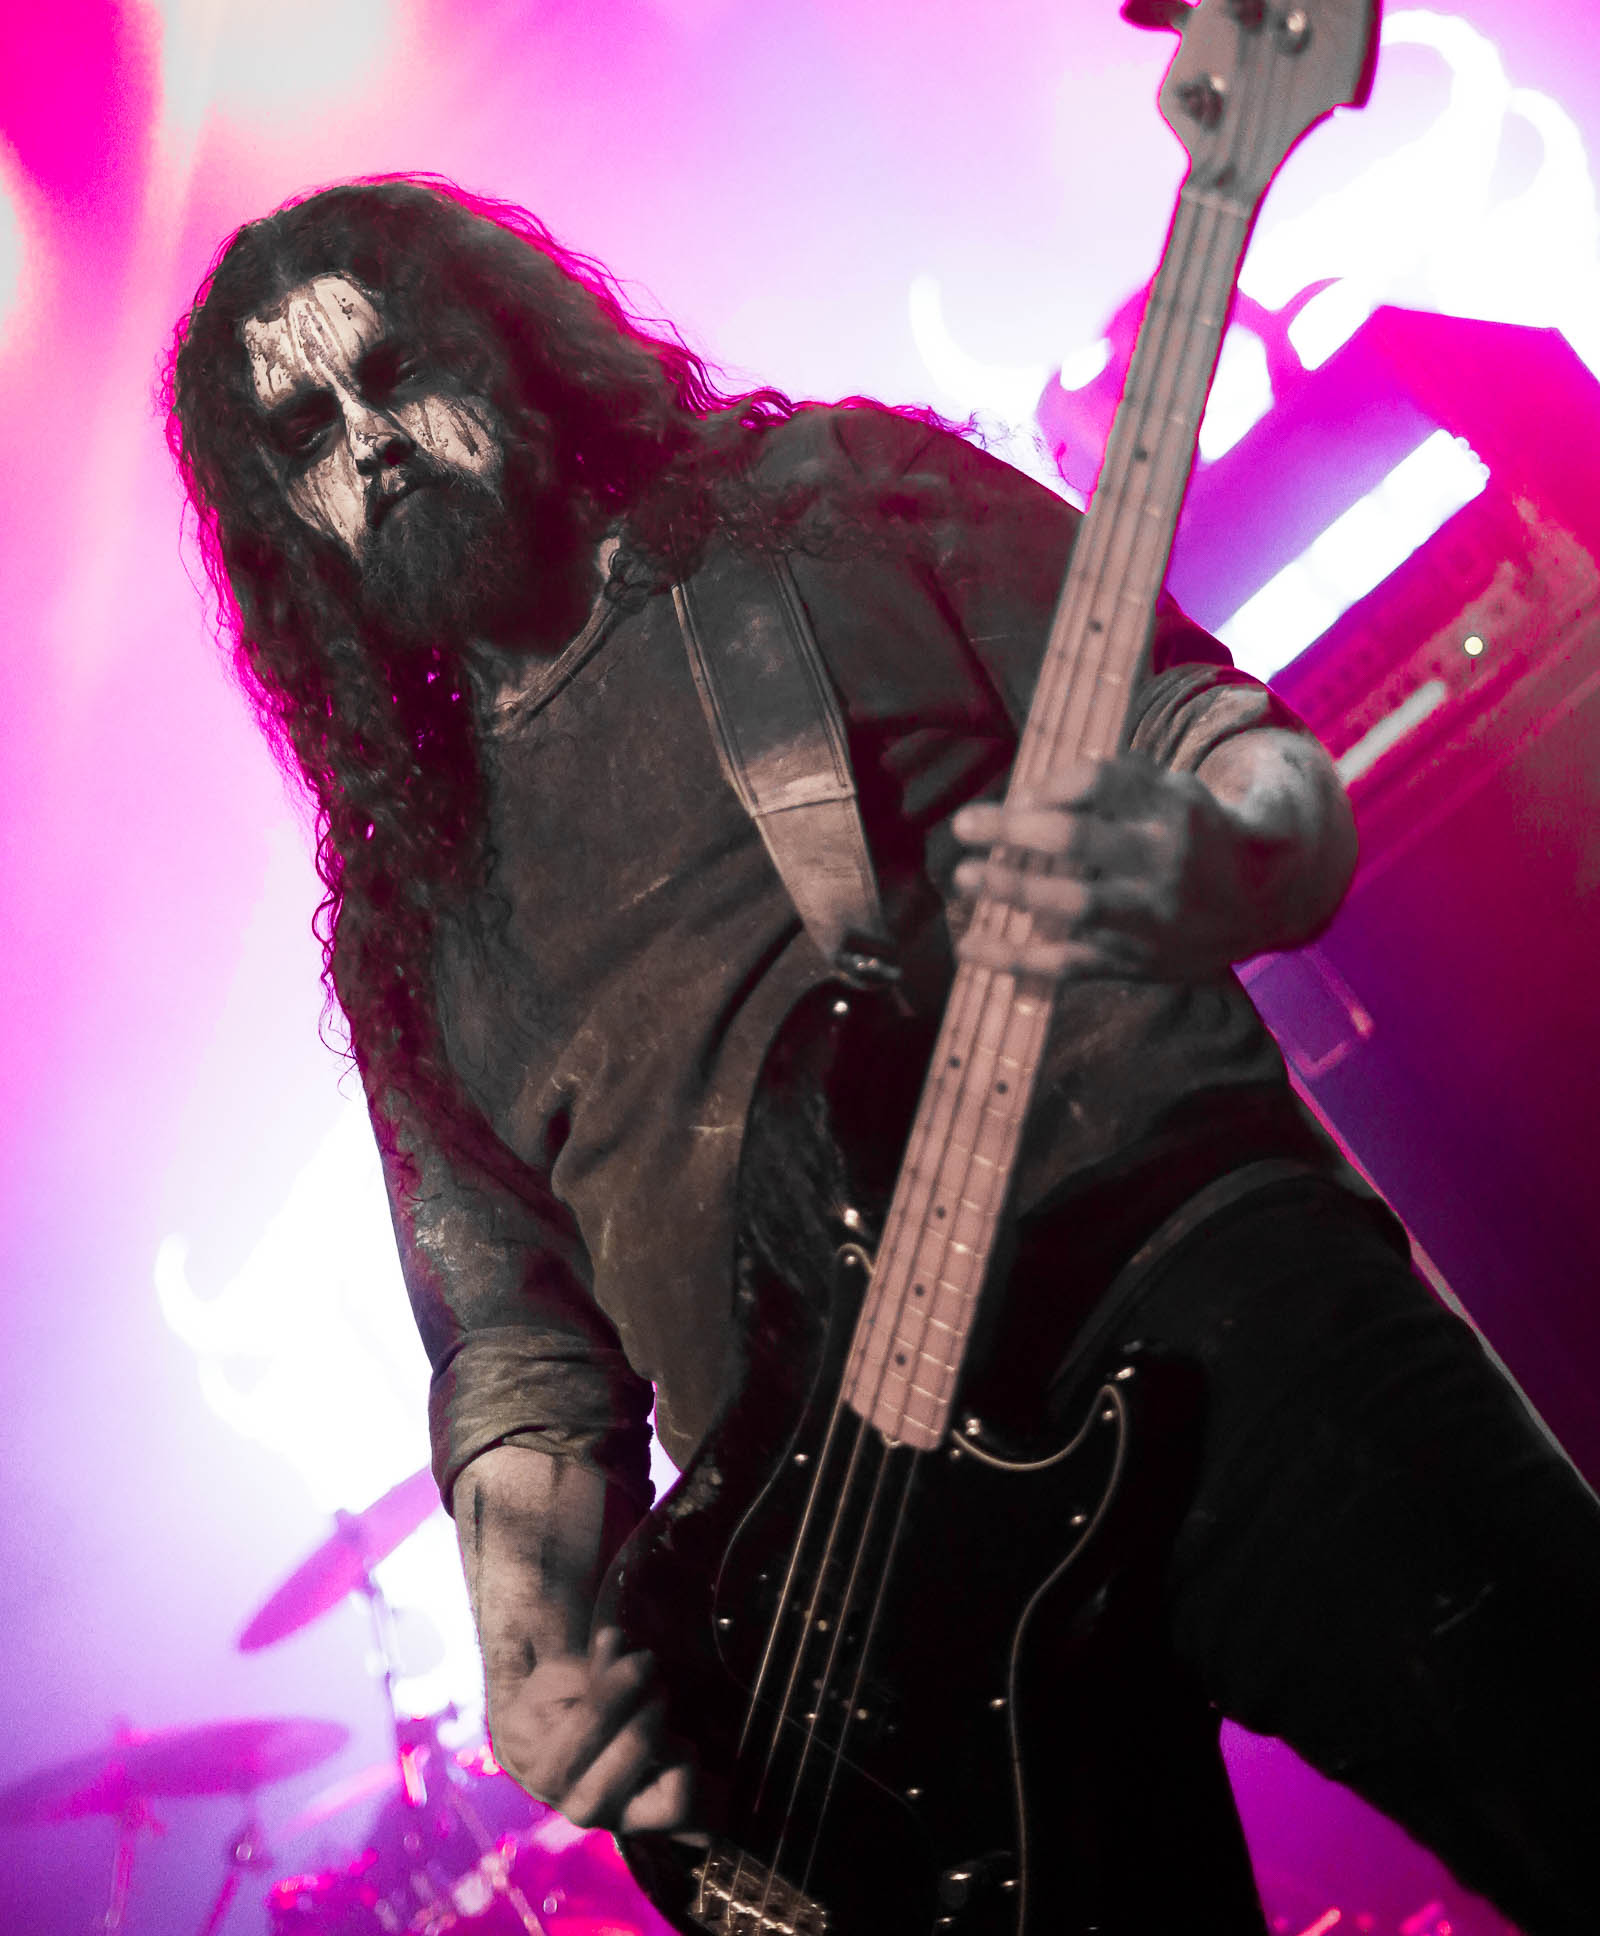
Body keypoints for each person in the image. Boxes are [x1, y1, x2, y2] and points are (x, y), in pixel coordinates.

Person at [166, 176, 1600, 1934]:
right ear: (287, 523)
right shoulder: (414, 904)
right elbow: (520, 1346)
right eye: (309, 434)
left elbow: (1198, 720)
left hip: (1191, 1290)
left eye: (395, 372)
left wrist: (1235, 855)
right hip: (862, 1601)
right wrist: (531, 1650)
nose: (372, 442)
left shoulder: (831, 499)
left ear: (509, 352)